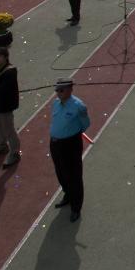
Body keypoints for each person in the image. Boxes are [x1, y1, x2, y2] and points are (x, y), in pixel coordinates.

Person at [49, 78, 90, 223]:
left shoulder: (78, 106)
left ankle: (76, 207)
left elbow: (85, 124)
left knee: (74, 175)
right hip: (55, 143)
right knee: (60, 171)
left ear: (70, 89)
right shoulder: (55, 103)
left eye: (61, 90)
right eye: (57, 90)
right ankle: (68, 194)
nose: (58, 93)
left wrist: (71, 133)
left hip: (70, 144)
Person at [0, 47, 21, 166]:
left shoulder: (10, 71)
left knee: (8, 128)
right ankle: (2, 145)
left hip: (5, 104)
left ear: (6, 57)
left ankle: (15, 152)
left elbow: (3, 90)